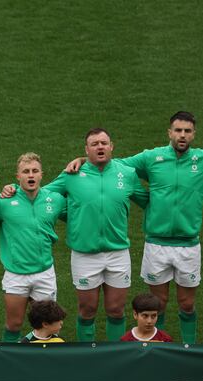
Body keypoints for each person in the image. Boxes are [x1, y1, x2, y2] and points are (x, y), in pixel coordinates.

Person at [66, 112, 203, 343]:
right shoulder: (151, 158)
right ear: (169, 133)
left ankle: (189, 349)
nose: (182, 135)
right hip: (156, 245)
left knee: (188, 304)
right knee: (156, 305)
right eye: (178, 130)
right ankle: (155, 349)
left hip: (189, 245)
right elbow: (113, 164)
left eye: (187, 131)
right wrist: (83, 158)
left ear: (193, 134)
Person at [8, 128, 147, 341]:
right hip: (84, 254)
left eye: (103, 143)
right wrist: (12, 191)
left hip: (118, 252)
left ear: (112, 147)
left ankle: (116, 355)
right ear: (86, 149)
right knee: (87, 310)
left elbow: (146, 201)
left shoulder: (126, 174)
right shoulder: (71, 176)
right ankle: (87, 357)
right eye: (94, 144)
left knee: (116, 310)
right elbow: (43, 194)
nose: (100, 147)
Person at [0, 153, 66, 342]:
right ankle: (11, 361)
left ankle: (45, 360)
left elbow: (77, 215)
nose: (31, 175)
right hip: (16, 274)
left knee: (50, 324)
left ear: (41, 175)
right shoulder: (3, 202)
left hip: (44, 272)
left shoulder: (55, 200)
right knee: (13, 324)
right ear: (18, 176)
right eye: (26, 171)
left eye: (35, 171)